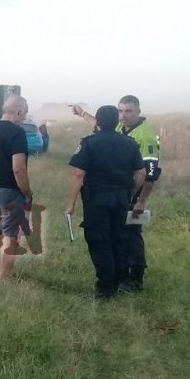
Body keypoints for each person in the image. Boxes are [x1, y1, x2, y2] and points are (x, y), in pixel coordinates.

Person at [72, 95, 160, 291]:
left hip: (133, 194)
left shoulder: (145, 135)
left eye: (128, 111)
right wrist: (83, 114)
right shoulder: (121, 128)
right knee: (117, 234)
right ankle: (118, 275)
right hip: (120, 193)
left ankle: (135, 277)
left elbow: (150, 173)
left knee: (132, 235)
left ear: (138, 111)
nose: (123, 116)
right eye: (120, 111)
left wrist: (141, 201)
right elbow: (101, 126)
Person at [0, 94, 34, 284]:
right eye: (25, 113)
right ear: (18, 112)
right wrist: (27, 193)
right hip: (9, 192)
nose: (25, 117)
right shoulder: (17, 133)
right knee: (10, 237)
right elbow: (18, 169)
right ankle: (4, 280)